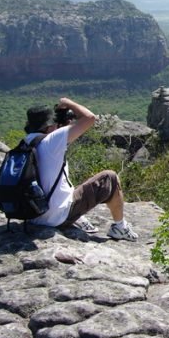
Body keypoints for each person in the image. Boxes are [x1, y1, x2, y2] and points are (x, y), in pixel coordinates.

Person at [23, 98, 138, 241]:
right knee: (110, 177)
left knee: (63, 182)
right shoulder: (51, 140)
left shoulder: (27, 142)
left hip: (32, 216)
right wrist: (67, 102)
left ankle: (78, 217)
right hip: (54, 217)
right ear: (49, 126)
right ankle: (120, 227)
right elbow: (90, 118)